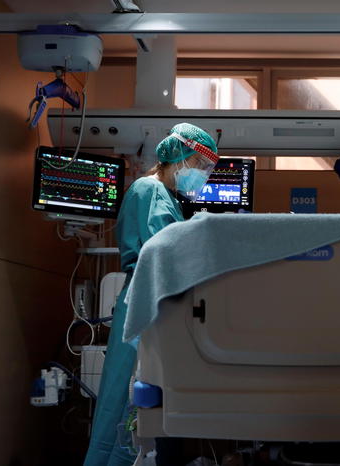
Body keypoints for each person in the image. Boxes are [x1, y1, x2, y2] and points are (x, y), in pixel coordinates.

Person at [83, 123, 219, 466]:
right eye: (200, 165)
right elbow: (165, 252)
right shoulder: (149, 189)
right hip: (145, 300)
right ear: (178, 156)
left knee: (136, 410)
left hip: (153, 300)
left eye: (208, 169)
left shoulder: (167, 197)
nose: (203, 175)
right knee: (124, 406)